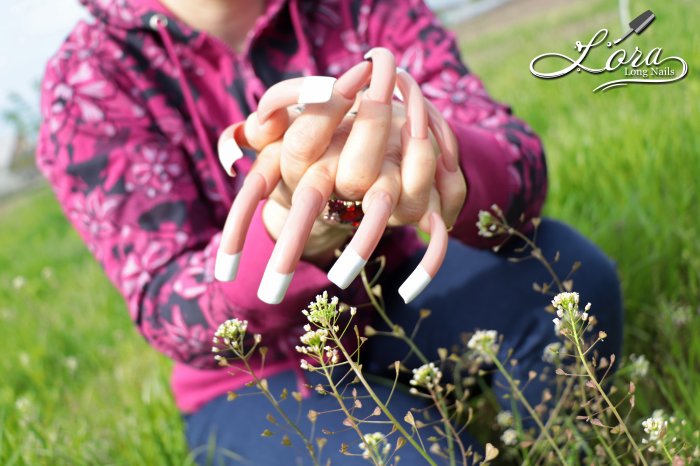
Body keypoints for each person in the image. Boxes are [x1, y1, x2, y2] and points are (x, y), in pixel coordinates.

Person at [36, 0, 623, 463]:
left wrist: (433, 161)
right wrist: (292, 225)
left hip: (399, 291)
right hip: (260, 371)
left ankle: (573, 449)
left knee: (568, 277)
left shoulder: (358, 8)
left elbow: (517, 164)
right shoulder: (88, 79)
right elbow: (169, 302)